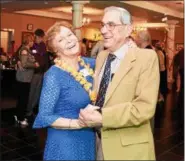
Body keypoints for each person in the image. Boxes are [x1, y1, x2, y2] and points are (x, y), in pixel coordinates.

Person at [79, 6, 160, 160]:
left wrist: (103, 117)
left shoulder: (146, 58)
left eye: (111, 25)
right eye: (103, 25)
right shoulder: (102, 56)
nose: (103, 30)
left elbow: (144, 108)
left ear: (128, 29)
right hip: (96, 142)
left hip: (127, 149)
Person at [32, 21, 96, 160]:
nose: (69, 40)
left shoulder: (88, 63)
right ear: (55, 50)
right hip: (65, 142)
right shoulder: (54, 75)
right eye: (61, 40)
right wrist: (78, 124)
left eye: (69, 34)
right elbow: (45, 116)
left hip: (88, 137)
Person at [15, 35, 39, 126]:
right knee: (23, 99)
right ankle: (21, 118)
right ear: (28, 41)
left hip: (26, 78)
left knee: (22, 99)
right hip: (23, 78)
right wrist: (35, 65)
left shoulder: (27, 50)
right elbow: (24, 64)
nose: (33, 42)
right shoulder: (25, 50)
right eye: (32, 41)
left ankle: (19, 116)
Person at [26, 28, 49, 124]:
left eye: (36, 36)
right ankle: (28, 111)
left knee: (36, 93)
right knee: (31, 93)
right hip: (33, 73)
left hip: (40, 72)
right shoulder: (33, 46)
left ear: (39, 37)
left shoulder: (43, 46)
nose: (35, 38)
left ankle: (30, 111)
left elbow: (43, 60)